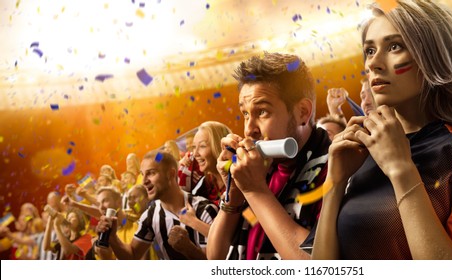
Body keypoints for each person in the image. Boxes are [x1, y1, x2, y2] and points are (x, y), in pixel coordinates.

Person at [311, 0, 452, 260]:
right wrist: (334, 184)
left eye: (395, 46)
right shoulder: (358, 150)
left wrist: (401, 169)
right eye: (370, 50)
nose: (373, 63)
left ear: (434, 54)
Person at [207, 52, 330, 260]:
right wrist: (234, 196)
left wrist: (255, 190)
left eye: (262, 112)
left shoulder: (336, 169)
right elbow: (215, 256)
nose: (249, 129)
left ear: (302, 112)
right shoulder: (261, 167)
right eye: (245, 113)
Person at [95, 151, 217, 260]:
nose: (144, 181)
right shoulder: (150, 215)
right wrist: (112, 238)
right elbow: (132, 256)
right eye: (143, 174)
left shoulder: (204, 210)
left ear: (171, 174)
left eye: (151, 173)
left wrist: (189, 249)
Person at [180, 121, 232, 205]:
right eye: (194, 147)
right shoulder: (207, 182)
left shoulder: (238, 179)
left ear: (220, 147)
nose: (195, 153)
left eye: (202, 146)